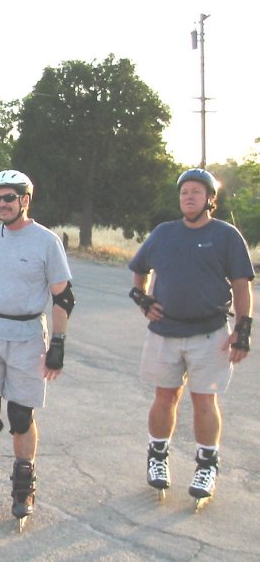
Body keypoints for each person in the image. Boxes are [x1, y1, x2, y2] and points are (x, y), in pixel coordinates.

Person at [0, 169, 73, 528]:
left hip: (26, 336)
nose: (2, 204)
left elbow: (63, 296)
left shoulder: (46, 241)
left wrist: (59, 344)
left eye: (10, 198)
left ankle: (24, 488)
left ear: (25, 200)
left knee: (21, 415)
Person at [128, 168, 254, 508]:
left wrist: (243, 329)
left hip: (209, 333)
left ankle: (206, 465)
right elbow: (139, 270)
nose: (189, 197)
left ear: (210, 200)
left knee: (204, 400)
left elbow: (242, 284)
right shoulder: (164, 233)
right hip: (165, 332)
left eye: (197, 192)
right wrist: (143, 299)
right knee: (165, 397)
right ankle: (157, 456)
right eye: (184, 192)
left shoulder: (225, 235)